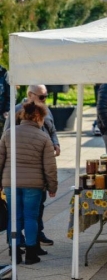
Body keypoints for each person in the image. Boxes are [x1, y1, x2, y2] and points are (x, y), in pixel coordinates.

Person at [0, 101, 58, 264]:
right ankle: (31, 254)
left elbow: (0, 159)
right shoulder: (44, 137)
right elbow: (50, 167)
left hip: (10, 182)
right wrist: (52, 186)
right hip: (34, 184)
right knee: (31, 217)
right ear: (37, 117)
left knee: (14, 217)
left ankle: (15, 252)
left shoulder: (8, 134)